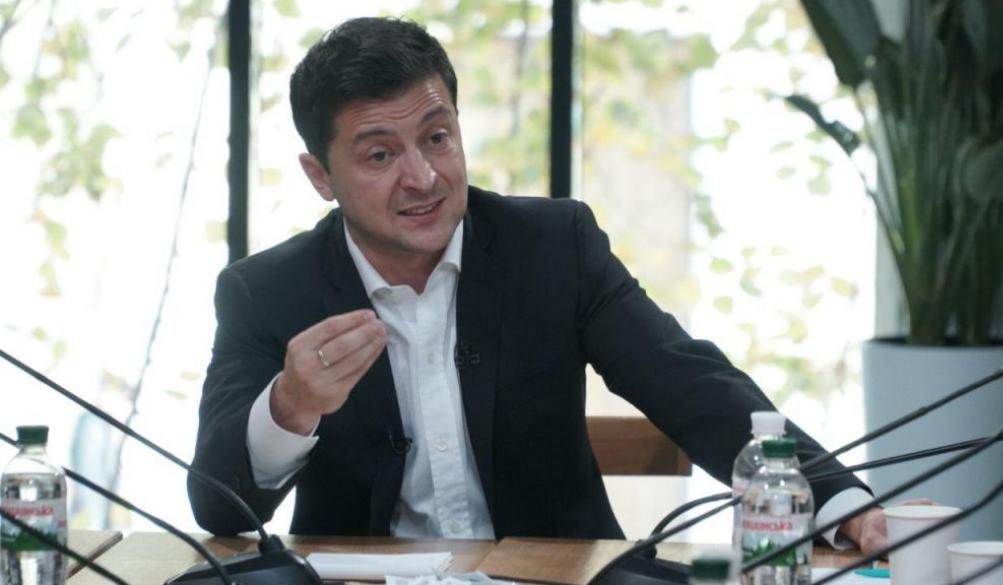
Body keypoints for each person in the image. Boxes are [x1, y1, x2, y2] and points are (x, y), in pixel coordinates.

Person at [188, 16, 887, 552]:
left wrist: (837, 502)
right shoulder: (266, 291)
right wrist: (290, 406)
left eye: (437, 137)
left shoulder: (554, 246)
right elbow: (217, 506)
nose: (423, 178)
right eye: (379, 155)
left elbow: (689, 384)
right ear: (320, 176)